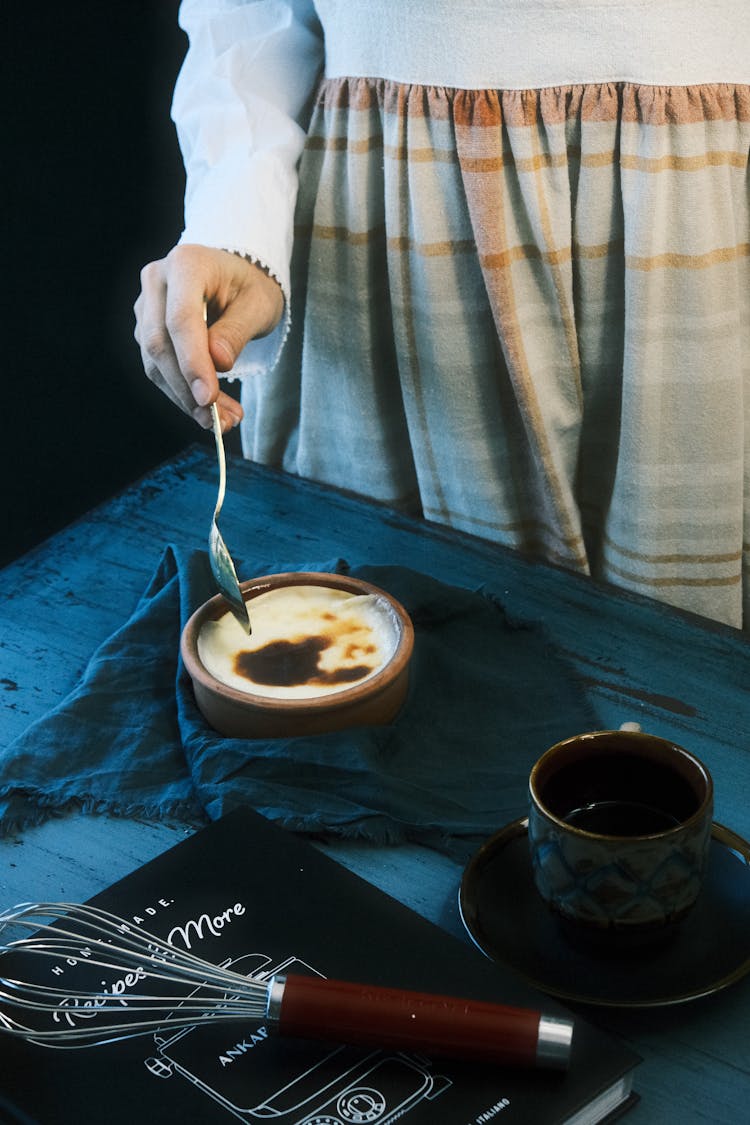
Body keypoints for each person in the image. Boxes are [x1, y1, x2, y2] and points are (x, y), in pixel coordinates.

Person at [134, 1, 750, 630]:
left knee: (685, 678)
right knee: (374, 654)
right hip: (384, 237)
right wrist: (237, 220)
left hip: (693, 226)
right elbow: (251, 16)